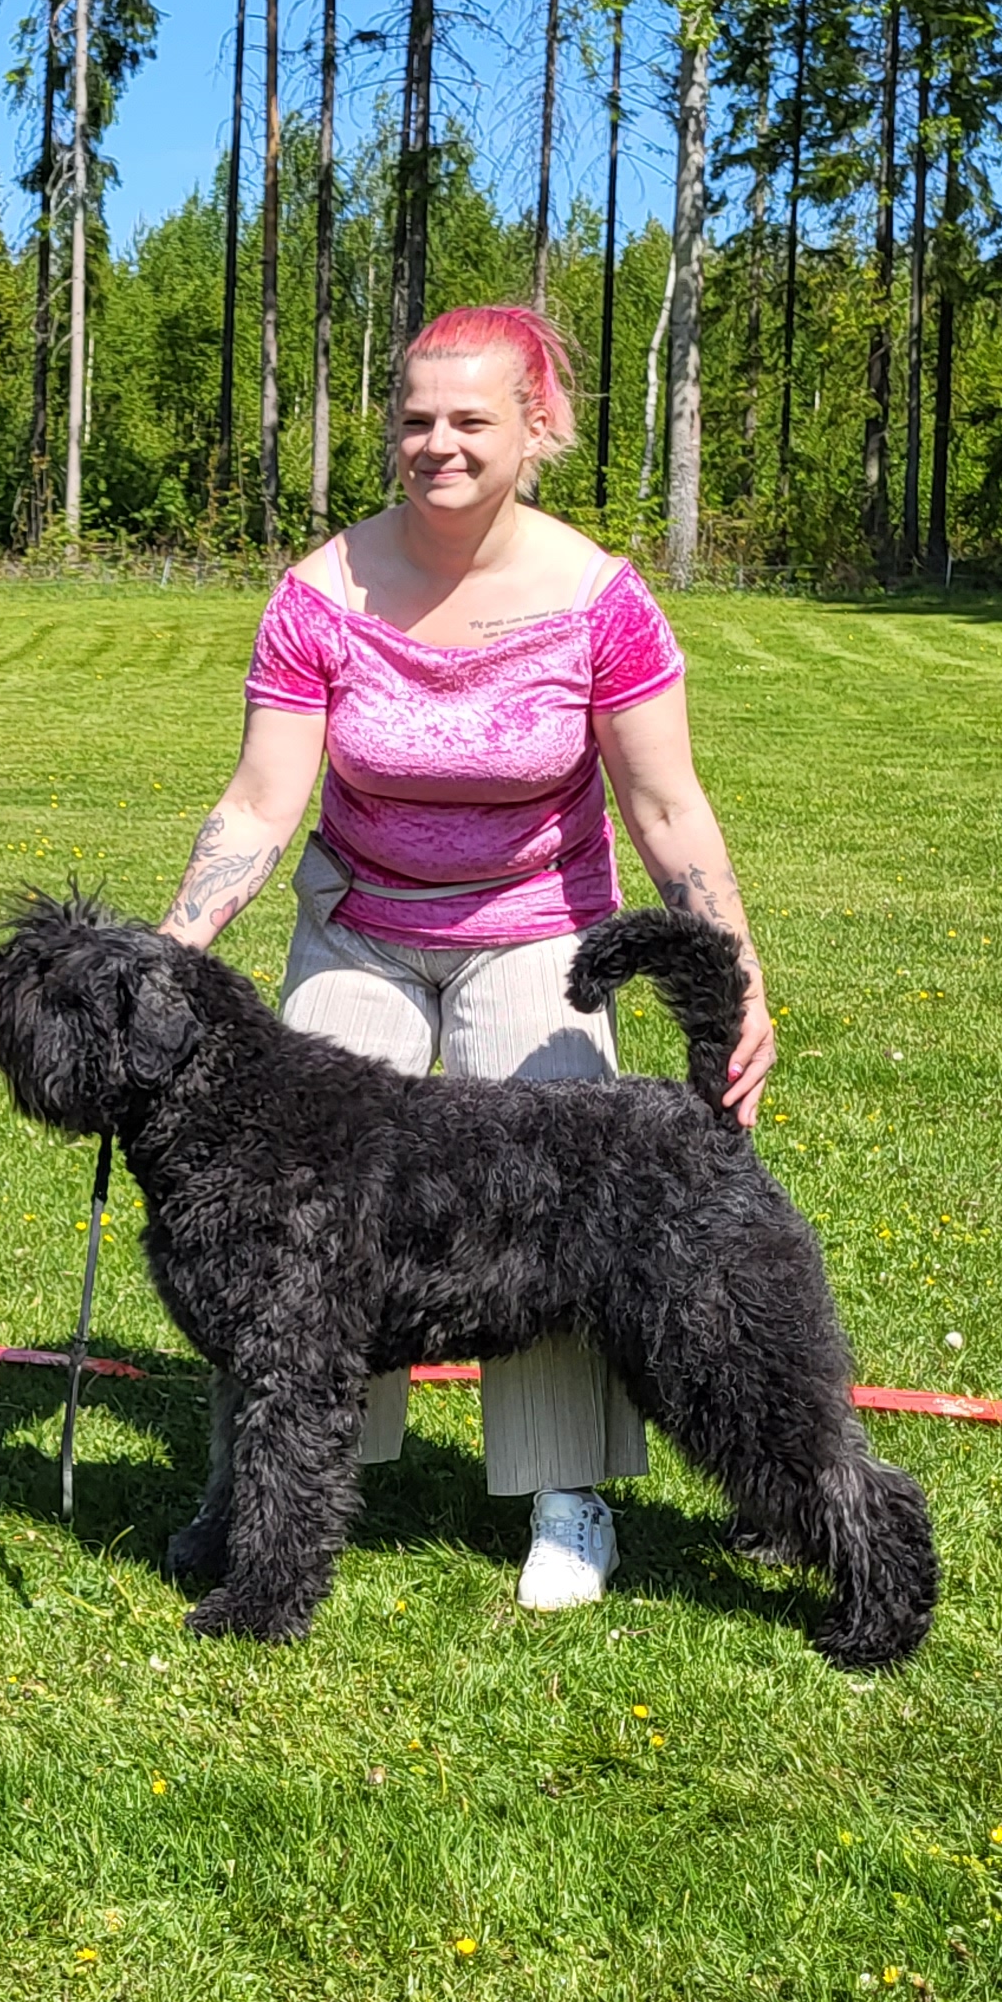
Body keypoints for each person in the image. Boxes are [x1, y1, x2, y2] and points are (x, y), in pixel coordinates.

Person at [157, 304, 774, 1615]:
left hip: (540, 929)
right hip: (362, 922)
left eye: (470, 420)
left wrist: (741, 974)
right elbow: (262, 802)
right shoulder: (320, 593)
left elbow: (666, 807)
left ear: (537, 428)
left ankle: (567, 1497)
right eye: (415, 418)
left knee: (564, 1194)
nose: (436, 443)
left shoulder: (600, 601)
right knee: (285, 1203)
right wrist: (171, 950)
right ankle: (280, 1483)